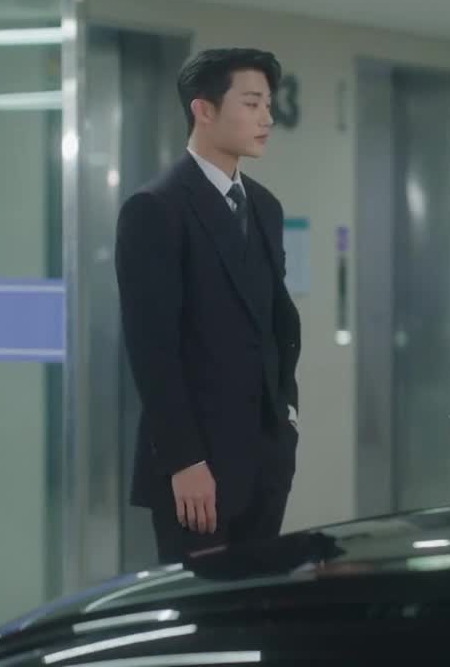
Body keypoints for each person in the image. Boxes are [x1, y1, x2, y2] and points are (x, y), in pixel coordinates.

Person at [115, 47, 301, 564]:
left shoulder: (264, 206)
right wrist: (184, 461)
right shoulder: (156, 209)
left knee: (259, 599)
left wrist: (287, 419)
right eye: (251, 103)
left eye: (268, 105)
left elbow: (274, 323)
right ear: (204, 110)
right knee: (202, 604)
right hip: (197, 469)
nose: (266, 119)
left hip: (265, 460)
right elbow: (152, 350)